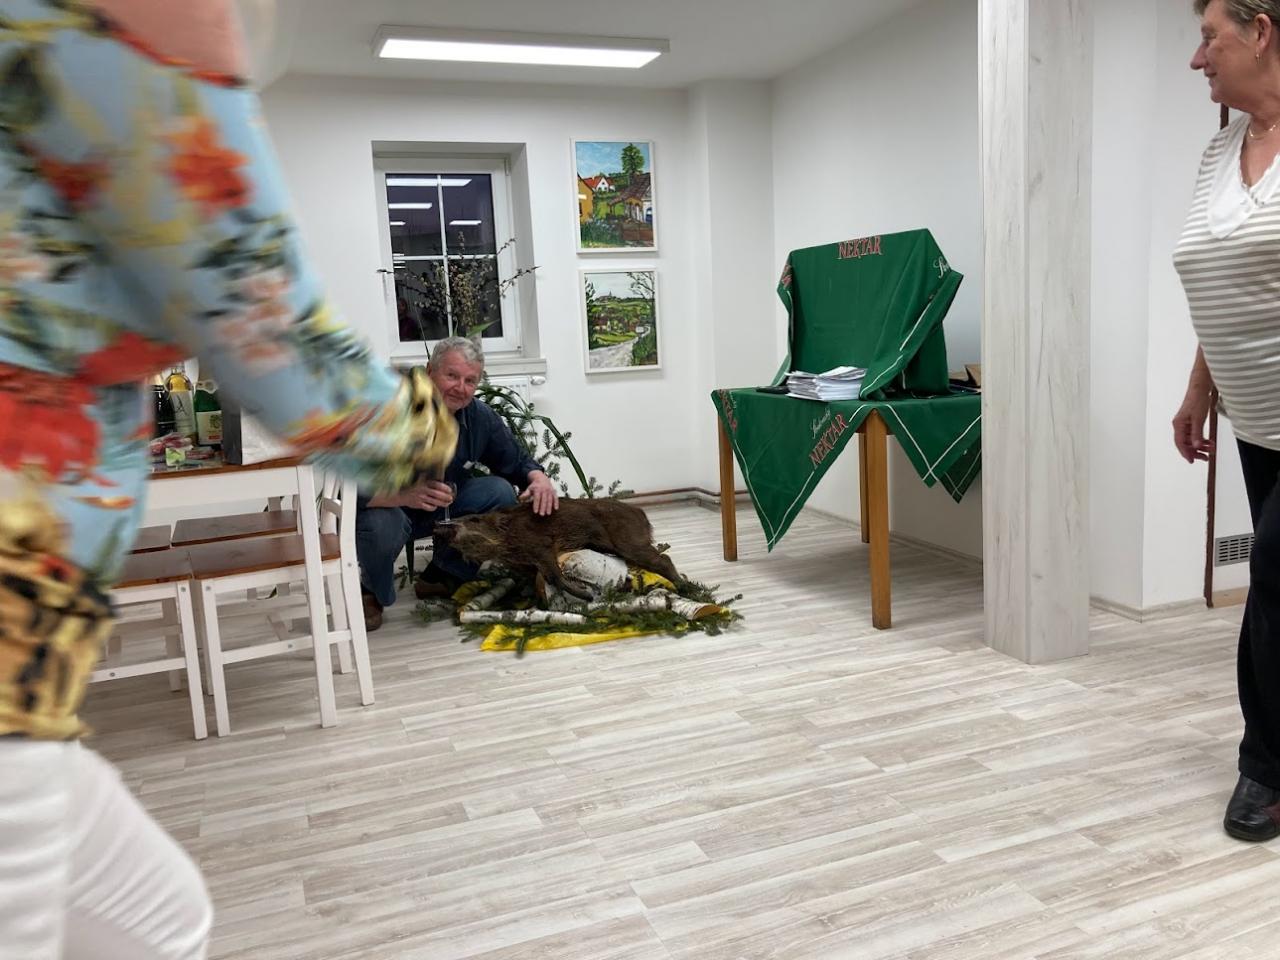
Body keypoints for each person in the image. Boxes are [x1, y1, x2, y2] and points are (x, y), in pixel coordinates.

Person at [0, 1, 457, 956]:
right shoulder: (134, 20)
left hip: (26, 658)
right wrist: (430, 428)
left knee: (162, 920)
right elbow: (278, 348)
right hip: (14, 621)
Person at [1177, 0, 1280, 842]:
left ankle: (1265, 767)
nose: (1197, 58)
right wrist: (1197, 391)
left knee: (1271, 574)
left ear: (1261, 31)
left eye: (1209, 36)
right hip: (1255, 414)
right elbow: (1221, 285)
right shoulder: (1221, 149)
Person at [356, 337, 560, 630]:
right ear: (430, 372)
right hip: (390, 511)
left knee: (499, 492)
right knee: (380, 524)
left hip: (442, 511)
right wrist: (405, 495)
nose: (460, 388)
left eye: (469, 380)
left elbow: (516, 461)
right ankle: (370, 592)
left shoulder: (479, 417)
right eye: (451, 376)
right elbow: (350, 490)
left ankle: (442, 574)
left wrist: (539, 479)